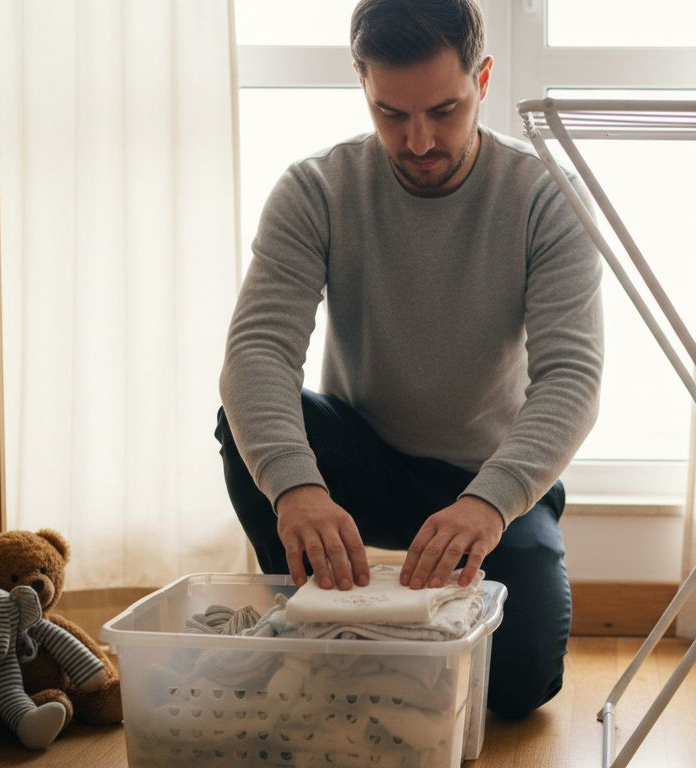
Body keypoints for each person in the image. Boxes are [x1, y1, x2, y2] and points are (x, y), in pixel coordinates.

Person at [214, 0, 603, 720]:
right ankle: (320, 627)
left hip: (486, 483)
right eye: (391, 114)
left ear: (482, 80)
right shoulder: (315, 190)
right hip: (361, 459)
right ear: (362, 83)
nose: (419, 140)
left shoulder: (546, 200)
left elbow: (572, 379)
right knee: (253, 421)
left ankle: (371, 644)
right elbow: (257, 353)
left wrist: (490, 503)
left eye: (444, 111)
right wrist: (297, 489)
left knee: (520, 688)